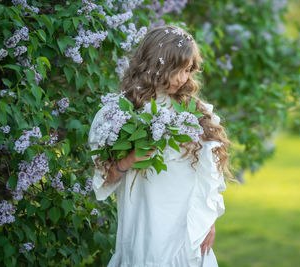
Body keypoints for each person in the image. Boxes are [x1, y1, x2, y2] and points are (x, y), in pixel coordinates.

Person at [88, 24, 234, 267]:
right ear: (155, 64)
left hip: (186, 227)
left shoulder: (195, 113)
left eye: (187, 70)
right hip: (145, 222)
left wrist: (208, 221)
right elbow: (104, 179)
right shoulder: (118, 114)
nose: (182, 79)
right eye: (176, 70)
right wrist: (130, 158)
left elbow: (208, 175)